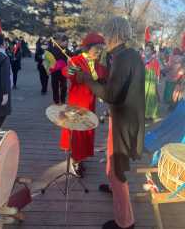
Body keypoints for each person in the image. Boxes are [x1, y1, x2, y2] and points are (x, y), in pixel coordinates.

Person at [76, 17, 145, 229]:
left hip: (125, 121)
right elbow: (116, 86)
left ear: (114, 33)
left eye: (106, 34)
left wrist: (86, 79)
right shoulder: (126, 55)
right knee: (111, 158)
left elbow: (111, 95)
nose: (104, 38)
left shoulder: (124, 57)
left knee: (118, 169)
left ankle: (126, 222)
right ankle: (114, 188)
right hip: (124, 117)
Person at [60, 33, 107, 177]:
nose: (99, 52)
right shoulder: (76, 60)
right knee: (77, 133)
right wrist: (74, 70)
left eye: (101, 49)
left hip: (90, 103)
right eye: (96, 49)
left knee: (86, 131)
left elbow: (103, 76)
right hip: (77, 103)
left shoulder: (98, 64)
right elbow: (66, 72)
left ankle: (81, 159)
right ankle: (75, 162)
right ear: (88, 48)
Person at [49, 35, 72, 104]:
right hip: (55, 70)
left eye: (67, 42)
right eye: (65, 42)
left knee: (64, 87)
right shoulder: (51, 49)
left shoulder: (65, 49)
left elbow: (72, 55)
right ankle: (56, 101)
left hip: (63, 71)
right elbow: (47, 58)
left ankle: (62, 100)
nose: (66, 43)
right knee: (55, 86)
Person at [145, 42, 160, 120]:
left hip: (152, 81)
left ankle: (151, 113)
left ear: (152, 51)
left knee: (151, 96)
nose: (146, 51)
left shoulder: (155, 60)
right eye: (146, 50)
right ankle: (144, 113)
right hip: (145, 80)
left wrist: (157, 79)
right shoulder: (143, 58)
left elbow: (157, 71)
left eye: (148, 50)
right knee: (144, 96)